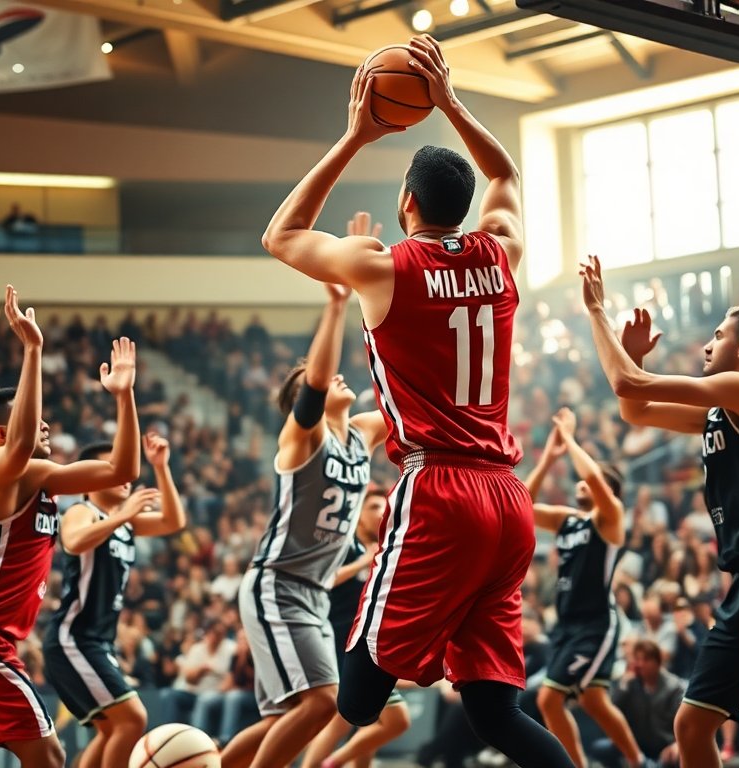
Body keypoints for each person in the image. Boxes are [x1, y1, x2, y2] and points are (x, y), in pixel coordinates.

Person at [259, 34, 571, 768]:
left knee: (360, 701)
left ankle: (417, 646)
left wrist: (356, 134)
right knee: (497, 713)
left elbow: (281, 235)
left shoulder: (383, 266)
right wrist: (452, 103)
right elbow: (505, 172)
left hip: (439, 489)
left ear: (405, 203)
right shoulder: (500, 250)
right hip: (506, 499)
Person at [580, 274, 739, 768]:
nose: (708, 344)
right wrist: (637, 358)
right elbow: (637, 411)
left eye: (718, 335)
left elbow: (627, 384)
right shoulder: (720, 407)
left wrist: (597, 314)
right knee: (691, 727)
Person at [0, 286, 140, 768]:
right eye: (33, 422)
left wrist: (124, 399)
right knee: (49, 755)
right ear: (3, 434)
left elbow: (122, 471)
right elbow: (18, 447)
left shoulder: (44, 478)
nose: (46, 427)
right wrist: (33, 350)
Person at [220, 277, 389, 768]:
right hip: (278, 583)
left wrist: (376, 295)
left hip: (310, 593)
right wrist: (336, 307)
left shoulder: (360, 434)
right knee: (320, 702)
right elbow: (314, 386)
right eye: (320, 377)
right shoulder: (301, 438)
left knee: (285, 718)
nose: (336, 377)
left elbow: (407, 401)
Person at [44, 433, 186, 768]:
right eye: (114, 467)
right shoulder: (83, 510)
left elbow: (173, 521)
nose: (125, 476)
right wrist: (123, 515)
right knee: (132, 719)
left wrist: (161, 468)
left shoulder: (123, 524)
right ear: (93, 478)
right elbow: (74, 541)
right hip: (73, 638)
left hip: (97, 641)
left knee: (112, 730)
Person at [525, 410, 647, 768]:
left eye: (595, 481)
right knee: (594, 702)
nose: (583, 482)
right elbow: (523, 504)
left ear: (608, 489)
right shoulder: (567, 520)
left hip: (595, 624)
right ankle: (639, 762)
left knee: (549, 699)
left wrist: (572, 438)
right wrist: (550, 456)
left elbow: (592, 476)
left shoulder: (610, 518)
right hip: (567, 623)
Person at [302, 488, 410, 768]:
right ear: (357, 515)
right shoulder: (346, 546)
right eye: (372, 507)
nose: (380, 513)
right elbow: (322, 579)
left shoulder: (386, 549)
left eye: (383, 507)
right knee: (394, 719)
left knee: (362, 717)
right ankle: (329, 763)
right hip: (339, 641)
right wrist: (363, 562)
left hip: (368, 643)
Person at [593, 640, 685, 768]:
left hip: (664, 747)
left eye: (646, 659)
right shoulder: (630, 684)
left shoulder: (675, 687)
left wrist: (678, 744)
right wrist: (624, 684)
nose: (640, 664)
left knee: (676, 757)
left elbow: (684, 724)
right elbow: (612, 711)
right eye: (638, 659)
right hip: (636, 745)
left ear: (657, 662)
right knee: (601, 748)